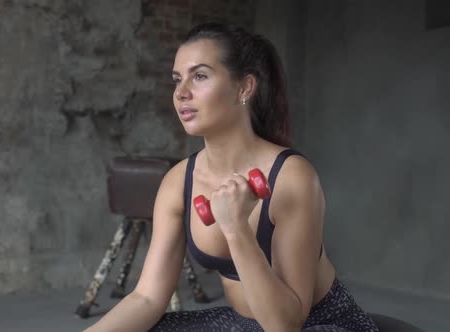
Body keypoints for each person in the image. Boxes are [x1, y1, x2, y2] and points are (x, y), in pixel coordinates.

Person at [84, 22, 379, 332]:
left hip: (316, 324)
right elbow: (146, 298)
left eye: (199, 76)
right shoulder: (177, 182)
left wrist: (236, 228)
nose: (181, 93)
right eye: (177, 79)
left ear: (243, 88)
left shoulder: (291, 177)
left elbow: (285, 324)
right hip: (244, 325)